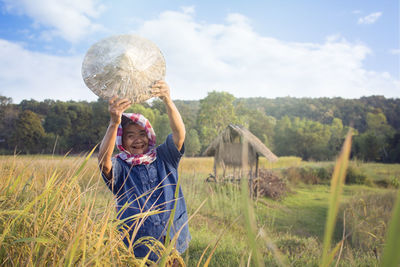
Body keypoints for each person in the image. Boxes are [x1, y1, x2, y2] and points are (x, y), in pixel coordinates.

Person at [98, 80, 190, 262]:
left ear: (149, 135)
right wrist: (114, 122)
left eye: (142, 134)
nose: (138, 140)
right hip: (137, 244)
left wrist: (168, 101)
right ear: (122, 142)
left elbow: (179, 135)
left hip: (172, 238)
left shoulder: (164, 156)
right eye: (130, 136)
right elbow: (103, 162)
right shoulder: (121, 166)